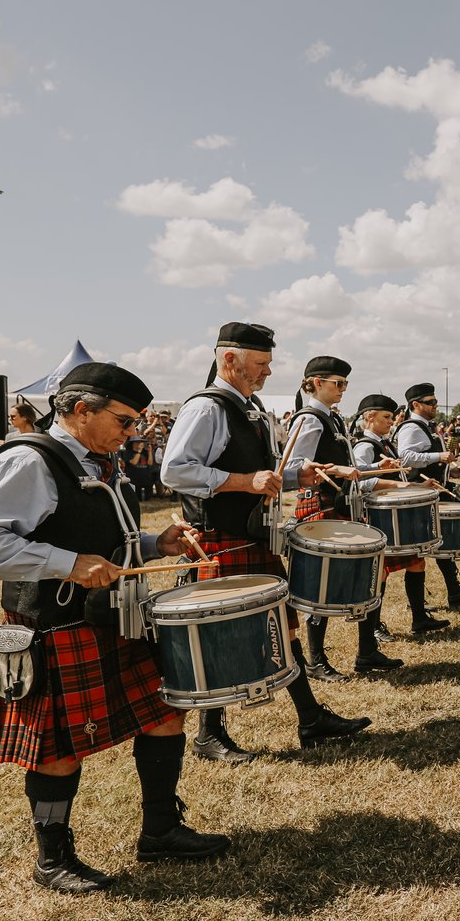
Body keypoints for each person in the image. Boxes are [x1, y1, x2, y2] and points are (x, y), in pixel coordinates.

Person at [0, 362, 228, 892]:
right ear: (81, 410)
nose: (132, 433)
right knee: (58, 748)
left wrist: (151, 543)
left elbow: (103, 533)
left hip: (120, 615)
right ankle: (53, 858)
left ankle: (161, 830)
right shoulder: (29, 462)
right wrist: (66, 563)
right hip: (58, 624)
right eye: (124, 421)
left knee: (164, 714)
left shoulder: (102, 460)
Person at [161, 323, 370, 766]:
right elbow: (175, 470)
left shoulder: (248, 407)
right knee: (218, 632)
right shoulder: (206, 408)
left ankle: (311, 717)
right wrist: (242, 481)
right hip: (219, 537)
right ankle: (209, 735)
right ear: (229, 359)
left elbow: (263, 474)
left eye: (269, 364)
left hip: (249, 533)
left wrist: (296, 476)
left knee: (282, 627)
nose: (268, 373)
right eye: (261, 364)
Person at [282, 356, 402, 676]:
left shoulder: (332, 419)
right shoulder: (308, 419)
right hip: (320, 505)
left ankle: (366, 653)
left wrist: (375, 468)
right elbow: (293, 467)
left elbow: (347, 467)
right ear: (317, 382)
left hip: (342, 504)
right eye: (338, 383)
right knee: (320, 583)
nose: (343, 389)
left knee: (365, 574)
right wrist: (336, 470)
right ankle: (316, 661)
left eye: (346, 384)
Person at [351, 393, 445, 637]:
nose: (391, 422)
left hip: (393, 516)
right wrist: (396, 486)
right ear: (369, 418)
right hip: (377, 517)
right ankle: (374, 627)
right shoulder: (364, 446)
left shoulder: (384, 443)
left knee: (417, 562)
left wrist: (419, 487)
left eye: (391, 417)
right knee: (379, 572)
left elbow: (400, 478)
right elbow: (359, 482)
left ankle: (419, 618)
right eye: (386, 417)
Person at [396, 382, 460, 610]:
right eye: (430, 402)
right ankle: (416, 604)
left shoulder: (426, 426)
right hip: (422, 493)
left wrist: (450, 470)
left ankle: (454, 591)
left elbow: (430, 460)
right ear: (415, 405)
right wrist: (439, 456)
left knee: (442, 542)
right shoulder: (411, 427)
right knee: (421, 550)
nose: (435, 405)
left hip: (436, 490)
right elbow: (405, 457)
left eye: (435, 401)